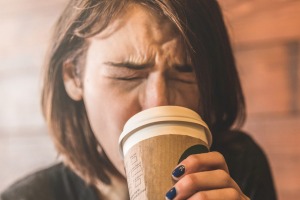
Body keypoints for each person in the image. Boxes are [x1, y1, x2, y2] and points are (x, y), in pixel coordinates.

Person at [1, 0, 277, 199]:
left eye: (185, 74)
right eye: (127, 76)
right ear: (74, 77)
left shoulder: (238, 167)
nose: (159, 103)